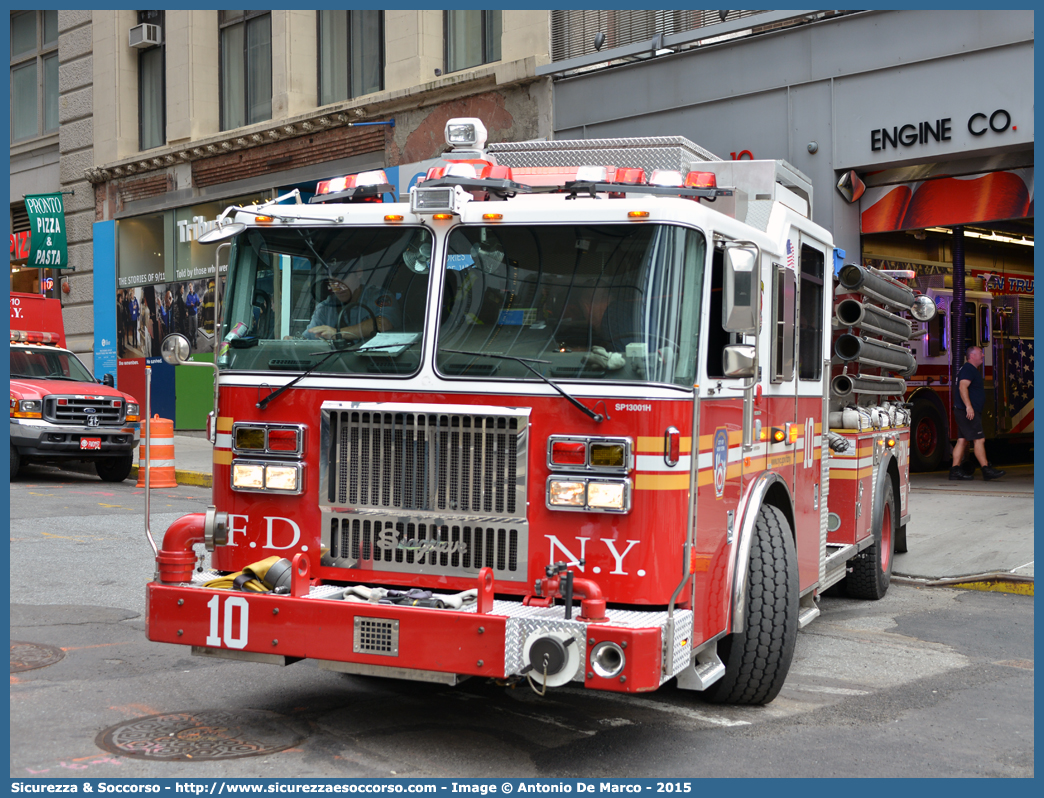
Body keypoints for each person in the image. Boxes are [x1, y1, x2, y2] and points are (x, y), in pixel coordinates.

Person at [950, 345, 1005, 481]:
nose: (983, 355)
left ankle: (955, 470)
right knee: (979, 439)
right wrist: (969, 407)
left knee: (962, 440)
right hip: (967, 412)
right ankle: (986, 469)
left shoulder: (969, 369)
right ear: (972, 356)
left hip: (963, 411)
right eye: (981, 353)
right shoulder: (969, 369)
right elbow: (963, 387)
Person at [303, 266, 400, 341]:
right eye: (332, 280)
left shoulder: (377, 296)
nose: (337, 286)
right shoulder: (325, 307)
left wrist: (338, 333)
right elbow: (309, 337)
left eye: (343, 277)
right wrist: (293, 341)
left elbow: (384, 324)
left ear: (358, 273)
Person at [186, 282, 201, 350]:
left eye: (191, 286)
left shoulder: (196, 295)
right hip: (190, 314)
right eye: (189, 287)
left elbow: (197, 304)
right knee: (190, 329)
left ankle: (195, 342)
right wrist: (190, 305)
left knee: (195, 328)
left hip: (195, 314)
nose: (190, 288)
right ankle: (191, 342)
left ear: (193, 287)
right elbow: (187, 304)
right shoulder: (188, 296)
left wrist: (199, 302)